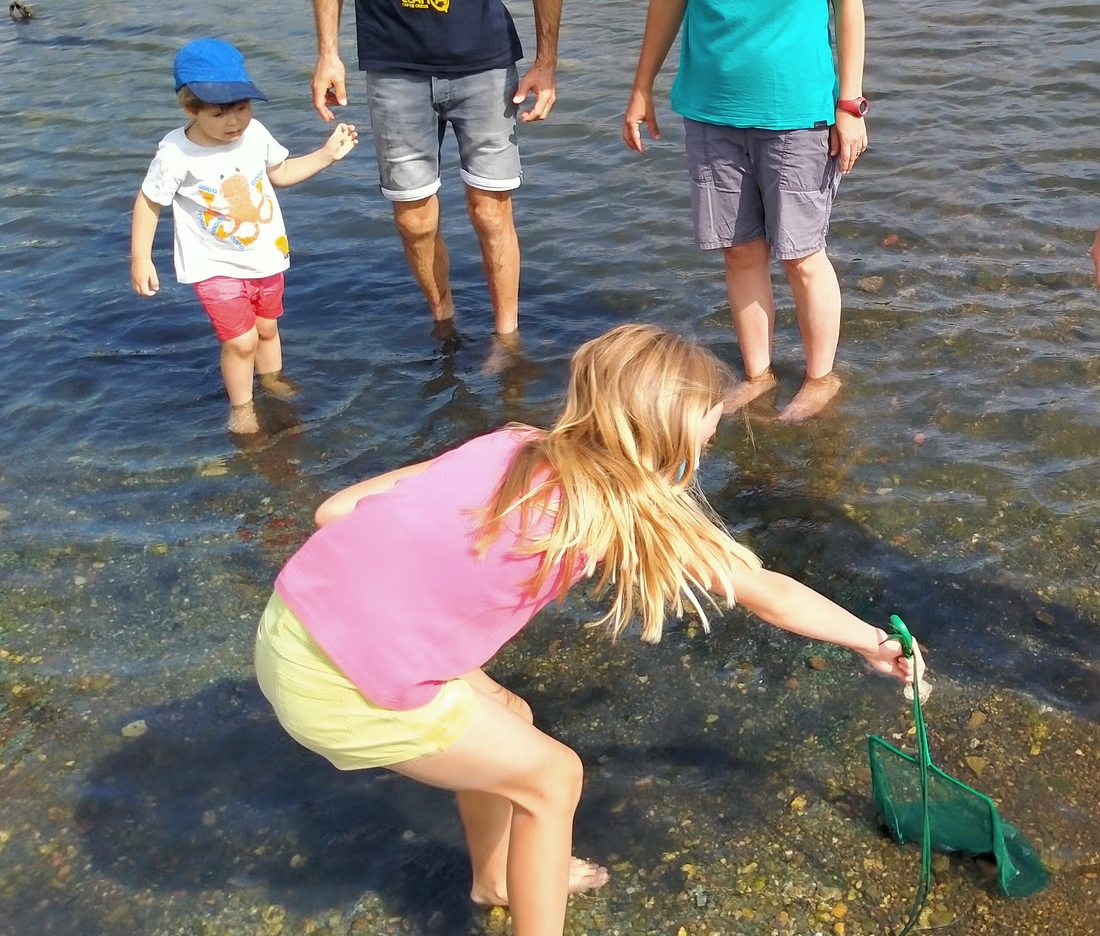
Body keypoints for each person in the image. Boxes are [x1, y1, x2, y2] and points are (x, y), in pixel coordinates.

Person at [254, 323, 925, 936]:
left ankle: (494, 880)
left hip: (290, 625)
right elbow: (766, 593)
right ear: (663, 433)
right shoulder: (616, 511)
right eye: (706, 428)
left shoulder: (512, 443)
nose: (712, 437)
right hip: (339, 685)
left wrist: (428, 597)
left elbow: (334, 511)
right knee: (554, 777)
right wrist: (874, 640)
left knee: (510, 715)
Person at [622, 0, 868, 423]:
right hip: (710, 110)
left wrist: (849, 105)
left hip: (796, 110)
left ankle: (820, 378)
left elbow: (849, 8)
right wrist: (642, 86)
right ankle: (758, 376)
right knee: (738, 251)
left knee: (801, 255)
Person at [131, 38, 359, 435]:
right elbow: (150, 202)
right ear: (190, 108)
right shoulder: (175, 153)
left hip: (266, 256)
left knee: (268, 329)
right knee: (241, 342)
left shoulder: (255, 134)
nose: (234, 122)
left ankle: (271, 381)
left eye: (242, 108)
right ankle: (242, 408)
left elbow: (281, 173)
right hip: (213, 265)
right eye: (219, 114)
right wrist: (141, 257)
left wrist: (326, 155)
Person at [308, 0, 561, 344]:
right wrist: (328, 53)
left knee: (491, 213)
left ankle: (507, 340)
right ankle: (445, 328)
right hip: (393, 64)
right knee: (414, 220)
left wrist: (546, 61)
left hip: (485, 61)